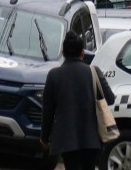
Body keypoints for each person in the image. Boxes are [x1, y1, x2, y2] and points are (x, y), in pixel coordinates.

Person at [43, 32, 111, 170]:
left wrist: (44, 137)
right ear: (82, 52)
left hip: (67, 138)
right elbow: (110, 98)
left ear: (63, 52)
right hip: (92, 138)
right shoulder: (93, 72)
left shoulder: (54, 75)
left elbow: (48, 111)